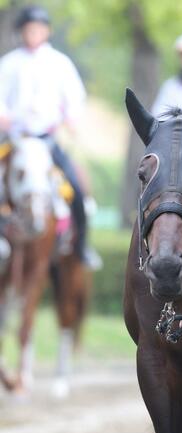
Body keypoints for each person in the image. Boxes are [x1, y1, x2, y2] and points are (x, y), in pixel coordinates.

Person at [0, 5, 101, 269]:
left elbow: (74, 98)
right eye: (29, 29)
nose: (33, 33)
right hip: (15, 142)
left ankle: (81, 246)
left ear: (47, 31)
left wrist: (71, 117)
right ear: (22, 31)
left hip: (47, 142)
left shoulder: (60, 63)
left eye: (38, 28)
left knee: (77, 190)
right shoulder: (9, 63)